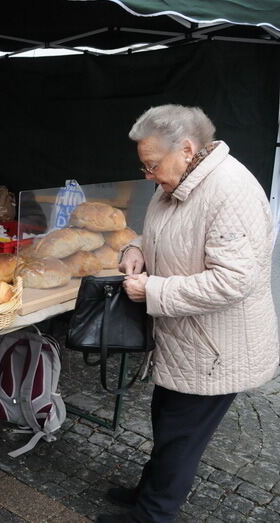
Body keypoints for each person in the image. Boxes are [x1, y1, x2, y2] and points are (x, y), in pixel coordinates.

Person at [96, 104, 279, 523]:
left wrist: (153, 289)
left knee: (181, 437)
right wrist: (136, 250)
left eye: (152, 165)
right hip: (186, 340)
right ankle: (150, 491)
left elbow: (234, 281)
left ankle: (152, 515)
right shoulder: (180, 180)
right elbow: (160, 232)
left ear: (187, 147)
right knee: (168, 422)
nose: (149, 175)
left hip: (215, 347)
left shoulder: (229, 191)